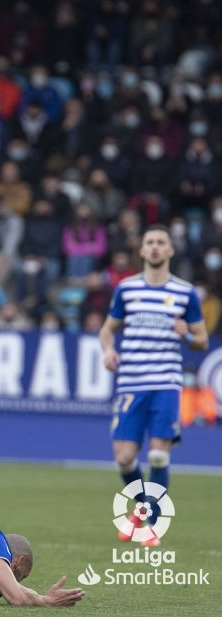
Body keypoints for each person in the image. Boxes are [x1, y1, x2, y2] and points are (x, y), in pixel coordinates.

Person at [99, 225, 208, 546]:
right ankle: (143, 509)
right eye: (151, 243)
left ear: (171, 251)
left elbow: (201, 339)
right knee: (124, 457)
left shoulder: (186, 292)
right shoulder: (127, 290)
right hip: (131, 381)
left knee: (158, 456)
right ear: (142, 251)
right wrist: (108, 352)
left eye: (162, 242)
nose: (156, 247)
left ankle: (151, 526)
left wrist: (186, 333)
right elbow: (107, 330)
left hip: (165, 382)